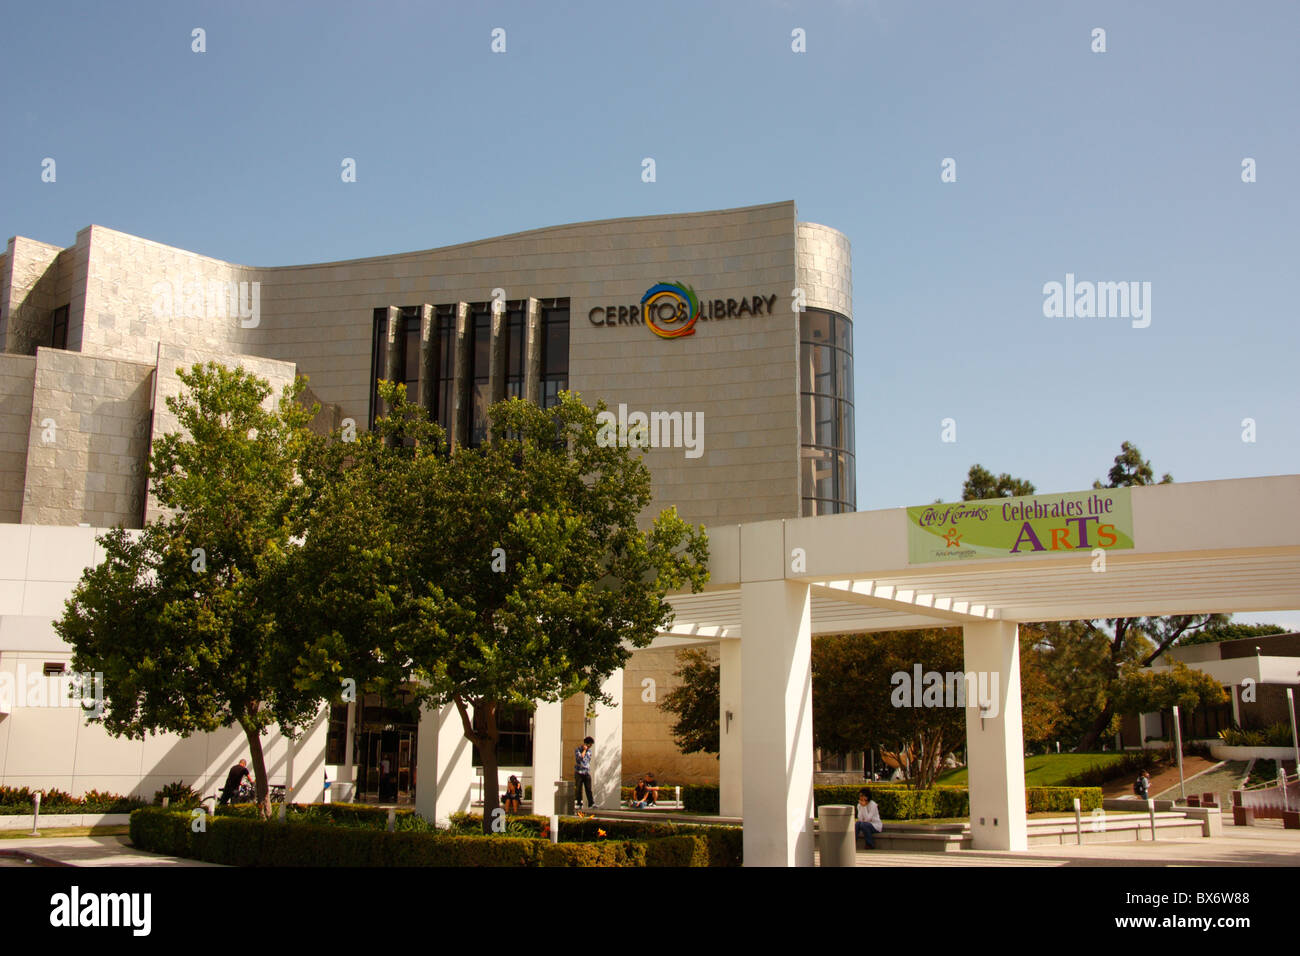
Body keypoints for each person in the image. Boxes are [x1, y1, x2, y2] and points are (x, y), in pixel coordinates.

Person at [574, 737, 595, 809]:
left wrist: (587, 750)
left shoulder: (590, 751)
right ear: (586, 744)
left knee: (588, 789)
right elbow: (580, 758)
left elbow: (588, 761)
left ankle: (591, 803)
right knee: (578, 788)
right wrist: (584, 750)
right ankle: (579, 803)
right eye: (590, 744)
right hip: (579, 772)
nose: (591, 746)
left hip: (586, 772)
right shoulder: (578, 750)